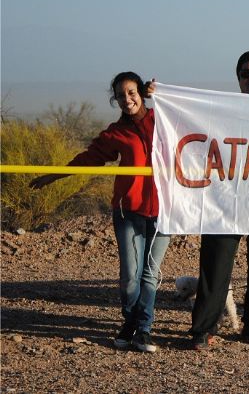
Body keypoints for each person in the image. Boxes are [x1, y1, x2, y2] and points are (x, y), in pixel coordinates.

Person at [30, 71, 169, 353]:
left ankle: (143, 330)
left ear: (142, 93)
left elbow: (194, 123)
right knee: (131, 275)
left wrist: (165, 95)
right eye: (121, 95)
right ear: (115, 99)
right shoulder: (115, 133)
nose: (127, 99)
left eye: (131, 92)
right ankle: (131, 322)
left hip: (165, 209)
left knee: (150, 274)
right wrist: (54, 175)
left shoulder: (163, 120)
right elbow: (89, 157)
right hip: (128, 210)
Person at [188, 50, 249, 350]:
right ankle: (204, 328)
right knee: (215, 266)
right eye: (246, 73)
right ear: (238, 78)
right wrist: (160, 95)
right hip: (224, 200)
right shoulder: (221, 111)